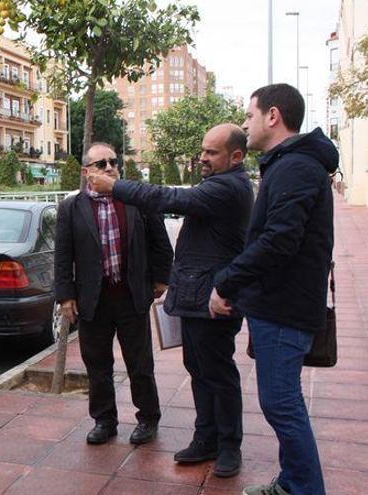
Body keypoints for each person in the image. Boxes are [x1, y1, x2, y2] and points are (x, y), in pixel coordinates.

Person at [86, 124, 254, 478]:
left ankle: (228, 447)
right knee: (199, 371)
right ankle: (206, 438)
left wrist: (115, 187)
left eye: (211, 153)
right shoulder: (218, 182)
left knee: (218, 374)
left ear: (236, 156)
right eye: (203, 150)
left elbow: (171, 199)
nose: (203, 158)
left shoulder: (230, 187)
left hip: (214, 298)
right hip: (195, 297)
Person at [209, 84, 337, 495]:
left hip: (285, 307)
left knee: (282, 403)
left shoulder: (295, 166)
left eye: (249, 115)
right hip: (278, 304)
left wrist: (226, 282)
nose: (245, 124)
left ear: (273, 116)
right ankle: (292, 482)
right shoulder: (289, 163)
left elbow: (279, 240)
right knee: (281, 401)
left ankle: (303, 488)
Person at [54, 142, 173, 445]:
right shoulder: (72, 207)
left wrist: (161, 278)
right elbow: (63, 255)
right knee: (97, 365)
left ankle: (148, 418)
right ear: (86, 172)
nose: (109, 167)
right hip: (93, 300)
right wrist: (65, 297)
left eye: (113, 162)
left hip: (132, 295)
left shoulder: (136, 201)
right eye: (101, 164)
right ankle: (104, 420)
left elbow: (160, 241)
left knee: (140, 363)